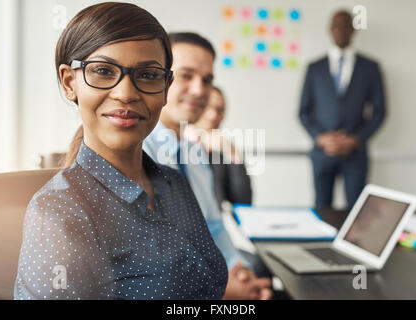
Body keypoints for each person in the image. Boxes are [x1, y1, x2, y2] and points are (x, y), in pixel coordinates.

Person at [14, 2, 228, 300]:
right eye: (102, 71)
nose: (126, 93)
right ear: (69, 83)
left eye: (149, 75)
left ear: (165, 88)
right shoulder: (59, 212)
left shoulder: (174, 183)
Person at [143, 32, 273, 300]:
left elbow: (214, 227)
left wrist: (239, 268)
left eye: (208, 80)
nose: (200, 90)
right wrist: (219, 290)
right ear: (157, 76)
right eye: (186, 75)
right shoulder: (136, 150)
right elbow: (146, 256)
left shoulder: (196, 154)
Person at [299, 10, 386, 209]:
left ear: (353, 29)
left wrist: (355, 139)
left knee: (357, 211)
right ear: (330, 30)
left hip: (355, 154)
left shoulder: (370, 67)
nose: (341, 30)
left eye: (346, 25)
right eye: (337, 26)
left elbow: (380, 111)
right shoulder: (315, 68)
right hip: (323, 153)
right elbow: (303, 112)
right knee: (322, 208)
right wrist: (322, 138)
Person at [190, 86, 252, 207]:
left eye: (220, 110)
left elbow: (244, 201)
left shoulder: (221, 154)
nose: (213, 115)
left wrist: (233, 154)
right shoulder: (174, 145)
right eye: (208, 107)